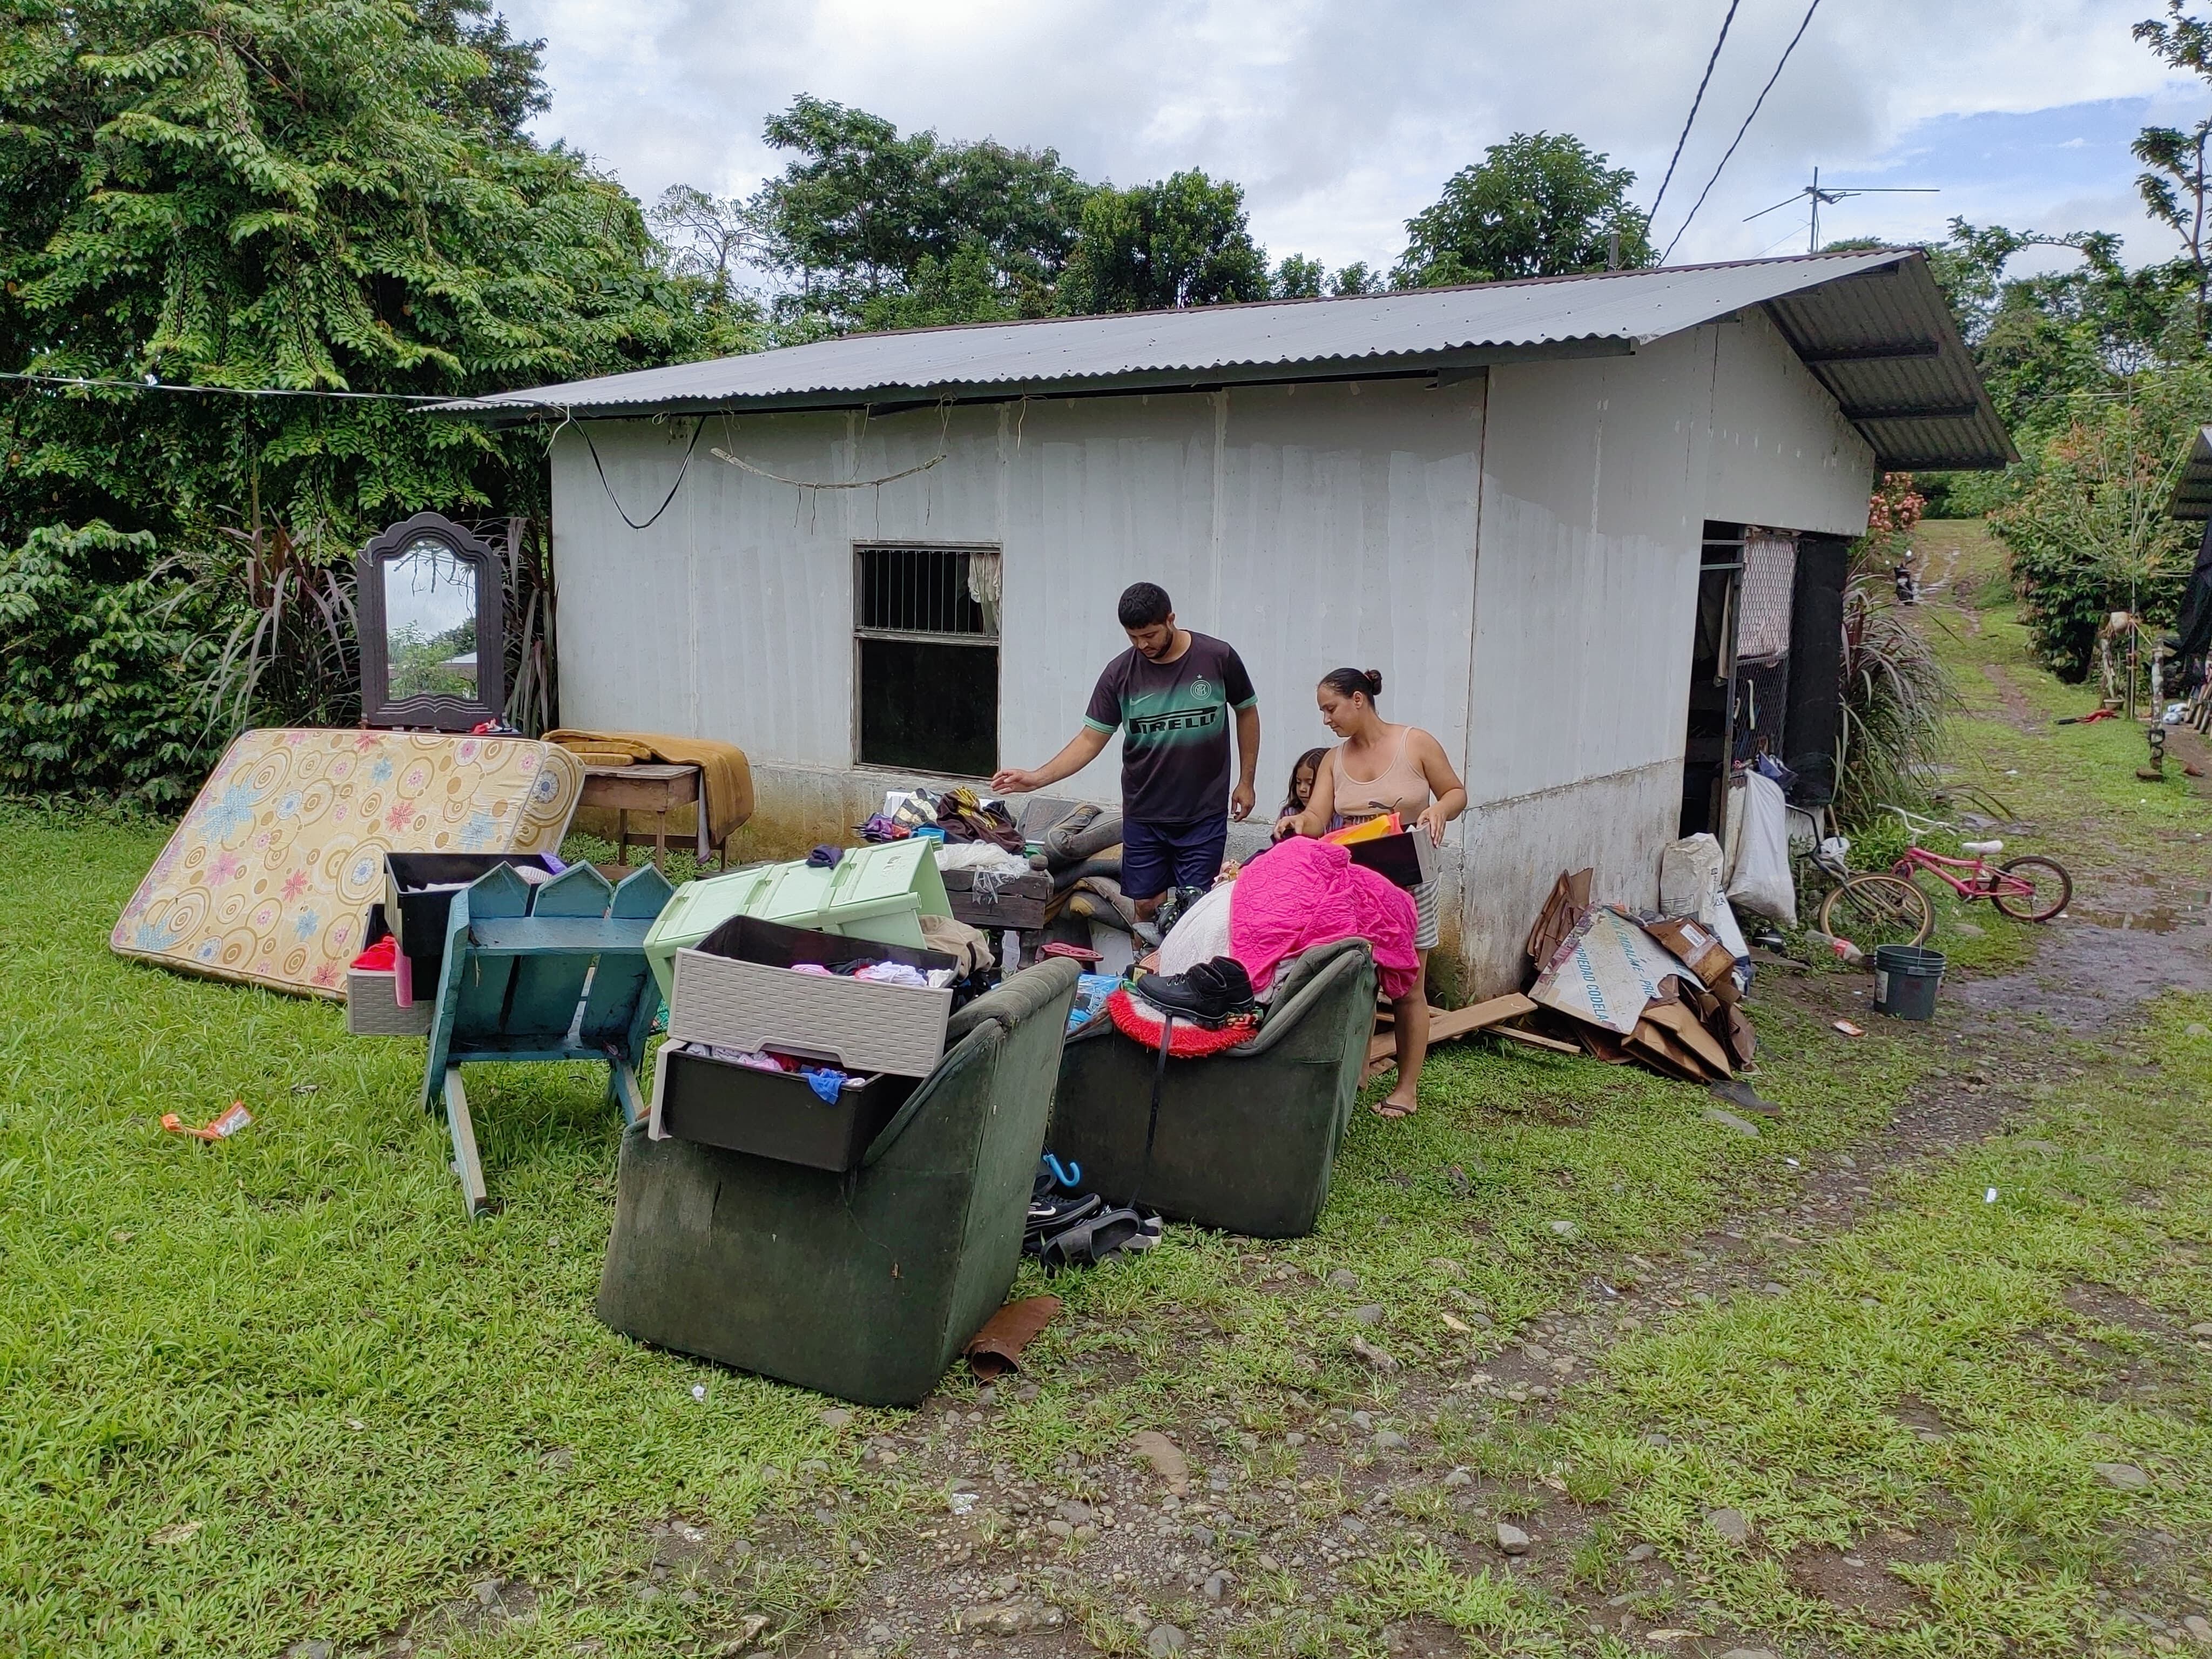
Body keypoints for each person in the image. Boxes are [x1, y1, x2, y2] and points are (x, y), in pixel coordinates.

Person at [993, 582, 1259, 929]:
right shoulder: (1120, 674)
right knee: (1147, 908)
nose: (1142, 645)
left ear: (1171, 619)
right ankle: (1140, 976)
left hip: (1203, 813)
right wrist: (1036, 778)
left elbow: (1247, 712)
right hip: (1145, 813)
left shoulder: (1217, 658)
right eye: (1133, 637)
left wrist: (1247, 781)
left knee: (1195, 908)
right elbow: (1090, 740)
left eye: (1149, 635)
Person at [1273, 667, 1466, 1119]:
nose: (1327, 719)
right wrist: (1300, 824)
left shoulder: (1414, 744)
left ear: (1359, 700)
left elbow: (1456, 791)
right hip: (1357, 883)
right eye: (1323, 710)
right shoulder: (1333, 761)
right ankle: (1354, 1072)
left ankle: (1406, 1088)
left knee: (1409, 987)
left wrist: (1439, 808)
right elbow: (1319, 816)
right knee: (1359, 980)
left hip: (1412, 878)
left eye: (1331, 708)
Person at [1278, 746, 1329, 825]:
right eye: (1298, 782)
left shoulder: (1341, 818)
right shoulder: (1290, 815)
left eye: (1310, 783)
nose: (1302, 789)